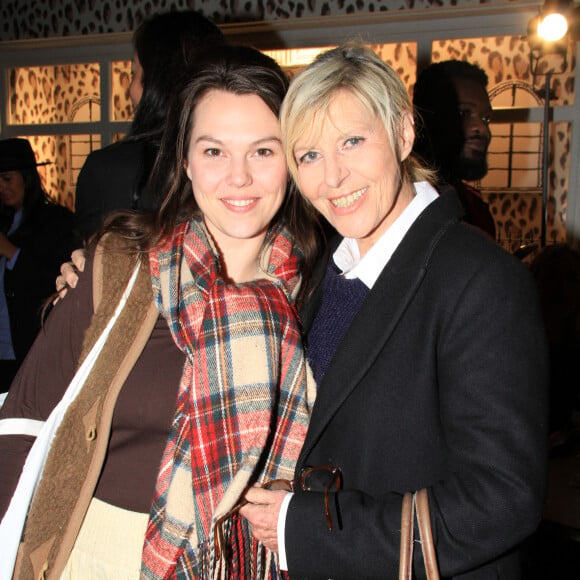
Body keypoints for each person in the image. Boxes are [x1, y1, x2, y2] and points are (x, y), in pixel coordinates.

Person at [0, 46, 319, 579]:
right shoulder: (120, 266)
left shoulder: (319, 294)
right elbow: (25, 418)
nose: (238, 177)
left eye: (264, 151)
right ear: (185, 160)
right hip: (93, 553)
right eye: (214, 151)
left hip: (233, 563)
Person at [240, 44, 549, 579]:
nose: (332, 178)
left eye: (352, 141)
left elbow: (503, 498)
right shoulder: (323, 273)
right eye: (308, 155)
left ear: (403, 133)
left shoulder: (480, 279)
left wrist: (307, 528)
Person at [74, 10, 225, 241]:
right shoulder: (235, 164)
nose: (130, 90)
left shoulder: (108, 169)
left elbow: (93, 269)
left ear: (157, 82)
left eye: (135, 73)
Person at [0, 138, 76, 393]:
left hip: (33, 348)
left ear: (26, 177)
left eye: (7, 179)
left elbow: (54, 281)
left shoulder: (55, 222)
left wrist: (11, 252)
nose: (2, 187)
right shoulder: (4, 220)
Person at [413, 59, 497, 239]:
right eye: (464, 113)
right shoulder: (398, 203)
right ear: (427, 118)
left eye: (486, 118)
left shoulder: (476, 209)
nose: (482, 130)